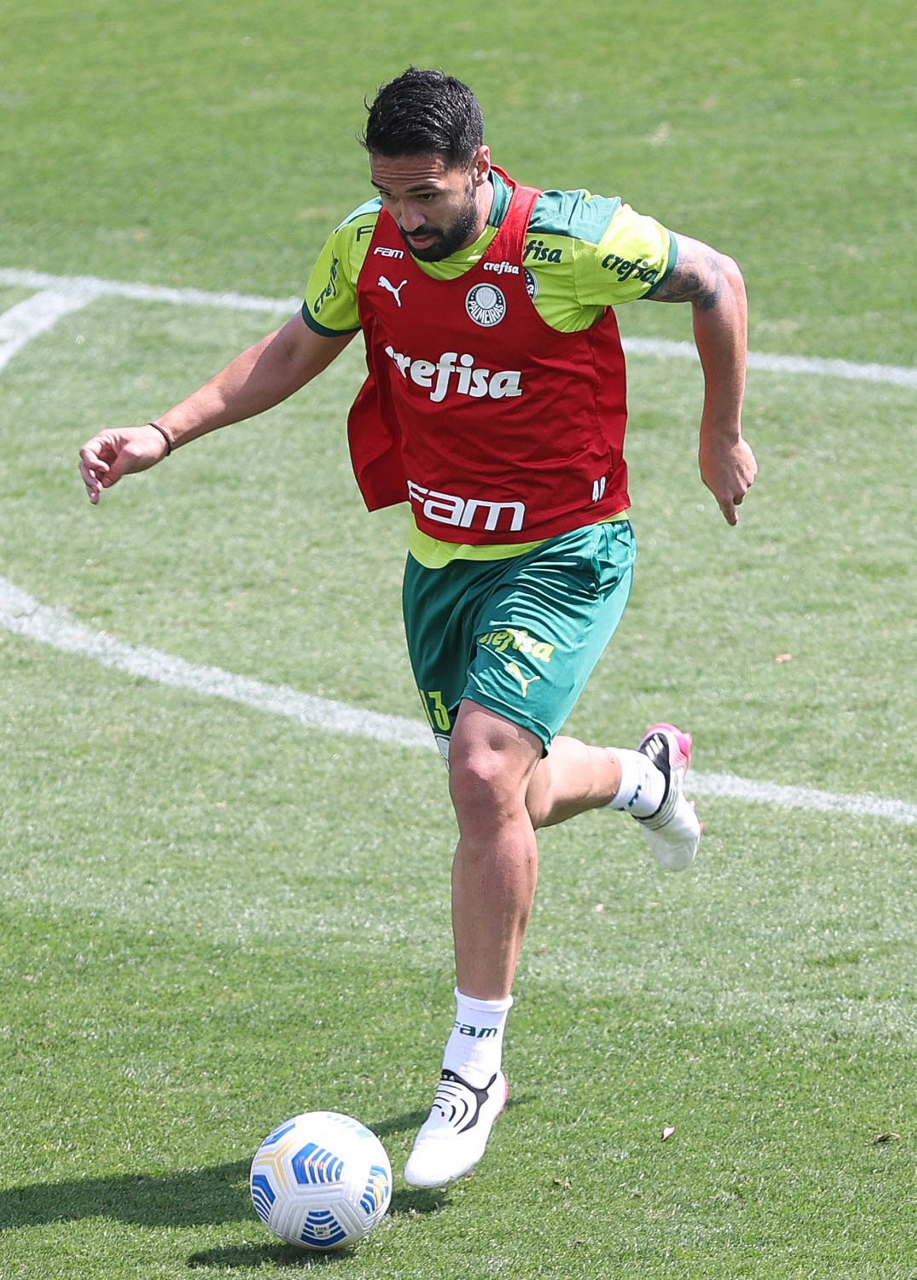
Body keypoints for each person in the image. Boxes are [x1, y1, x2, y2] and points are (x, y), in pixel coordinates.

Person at [79, 68, 757, 1191]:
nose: (404, 216)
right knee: (509, 795)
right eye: (389, 192)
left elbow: (715, 280)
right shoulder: (367, 246)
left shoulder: (567, 240)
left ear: (478, 169)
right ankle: (643, 777)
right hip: (440, 562)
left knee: (481, 768)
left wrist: (716, 433)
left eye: (425, 194)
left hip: (566, 549)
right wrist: (164, 431)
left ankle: (472, 1065)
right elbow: (293, 349)